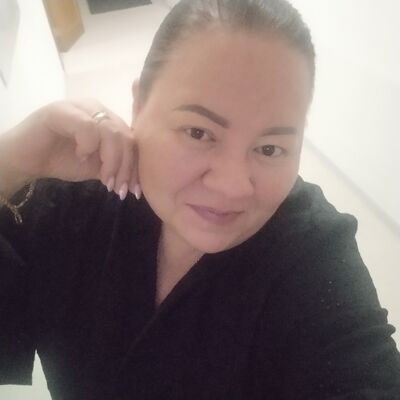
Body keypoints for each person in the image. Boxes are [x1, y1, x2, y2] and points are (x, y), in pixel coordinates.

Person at [0, 0, 399, 399]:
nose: (232, 186)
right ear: (138, 105)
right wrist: (9, 164)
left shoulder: (313, 252)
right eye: (198, 132)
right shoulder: (71, 200)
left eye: (270, 148)